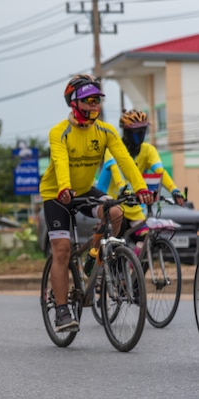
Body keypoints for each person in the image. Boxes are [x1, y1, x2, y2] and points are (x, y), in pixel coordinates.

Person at [39, 74, 154, 333]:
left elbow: (125, 160)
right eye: (89, 101)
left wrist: (142, 188)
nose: (95, 106)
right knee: (62, 251)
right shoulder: (60, 132)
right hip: (57, 194)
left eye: (98, 101)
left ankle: (96, 261)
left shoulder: (106, 131)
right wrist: (64, 186)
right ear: (74, 103)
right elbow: (60, 161)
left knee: (115, 211)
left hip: (85, 191)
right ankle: (61, 309)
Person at [97, 109, 186, 242]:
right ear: (126, 132)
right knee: (114, 246)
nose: (140, 135)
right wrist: (123, 188)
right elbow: (117, 172)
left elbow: (160, 172)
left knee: (145, 241)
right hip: (114, 203)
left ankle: (138, 262)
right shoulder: (114, 148)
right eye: (135, 132)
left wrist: (174, 190)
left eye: (143, 131)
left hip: (134, 207)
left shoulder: (148, 150)